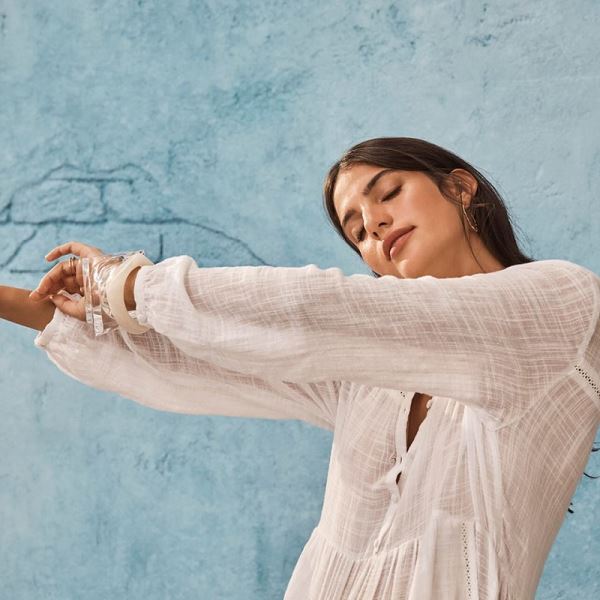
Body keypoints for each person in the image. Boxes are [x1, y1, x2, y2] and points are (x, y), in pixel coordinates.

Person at [2, 136, 599, 599]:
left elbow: (322, 308)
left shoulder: (561, 304)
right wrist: (71, 302)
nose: (375, 224)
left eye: (389, 193)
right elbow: (195, 359)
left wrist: (131, 286)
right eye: (357, 230)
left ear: (461, 188)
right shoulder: (364, 374)